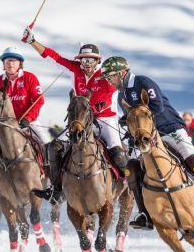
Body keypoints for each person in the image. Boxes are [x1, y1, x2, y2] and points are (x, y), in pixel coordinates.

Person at [98, 56, 194, 222]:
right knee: (131, 169)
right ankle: (144, 213)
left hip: (170, 128)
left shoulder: (142, 82)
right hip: (143, 137)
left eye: (110, 76)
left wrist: (139, 117)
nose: (108, 81)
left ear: (122, 73)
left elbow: (157, 106)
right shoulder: (121, 96)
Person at [22, 27, 129, 208]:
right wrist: (32, 41)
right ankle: (56, 189)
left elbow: (123, 87)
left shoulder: (107, 76)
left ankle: (130, 183)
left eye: (90, 60)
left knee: (118, 153)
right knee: (53, 148)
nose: (86, 63)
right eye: (82, 59)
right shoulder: (75, 70)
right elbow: (52, 56)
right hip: (81, 122)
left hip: (105, 120)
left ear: (97, 61)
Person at [0, 46, 49, 207]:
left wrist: (28, 119)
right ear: (3, 63)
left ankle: (53, 187)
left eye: (14, 60)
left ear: (20, 64)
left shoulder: (30, 78)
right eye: (7, 60)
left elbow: (39, 102)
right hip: (7, 128)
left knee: (47, 147)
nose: (10, 63)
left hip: (28, 123)